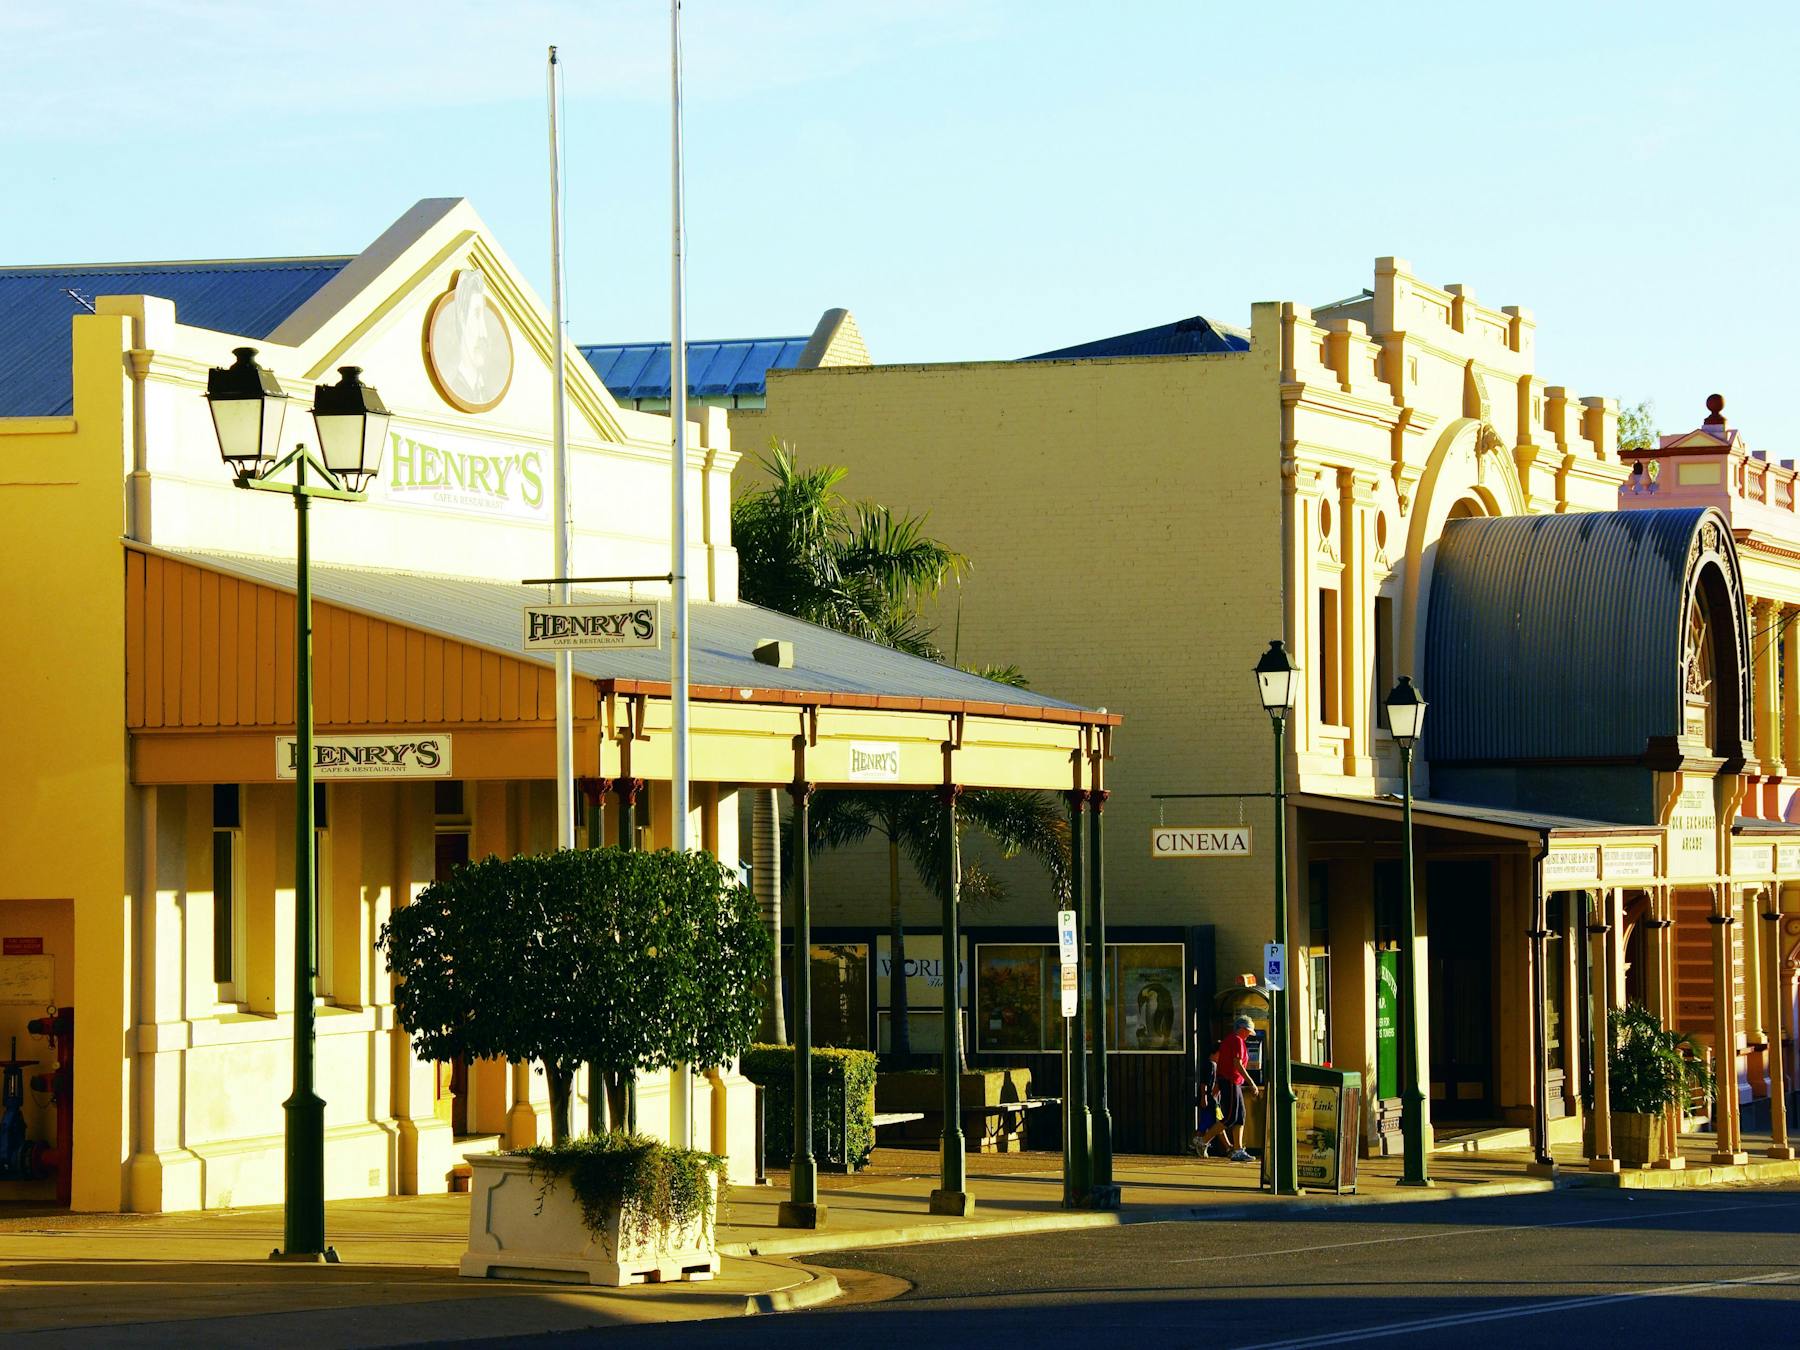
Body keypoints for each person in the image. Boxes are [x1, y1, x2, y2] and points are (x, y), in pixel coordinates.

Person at [1193, 1015, 1260, 1162]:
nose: (1249, 1035)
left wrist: (1217, 1085)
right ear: (1242, 1029)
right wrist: (1252, 1083)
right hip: (1231, 1081)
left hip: (1231, 1081)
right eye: (1248, 1031)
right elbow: (1237, 1064)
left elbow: (1224, 1063)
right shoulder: (1236, 1040)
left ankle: (1238, 1149)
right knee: (1230, 1117)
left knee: (1240, 1116)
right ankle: (1203, 1140)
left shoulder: (1230, 1040)